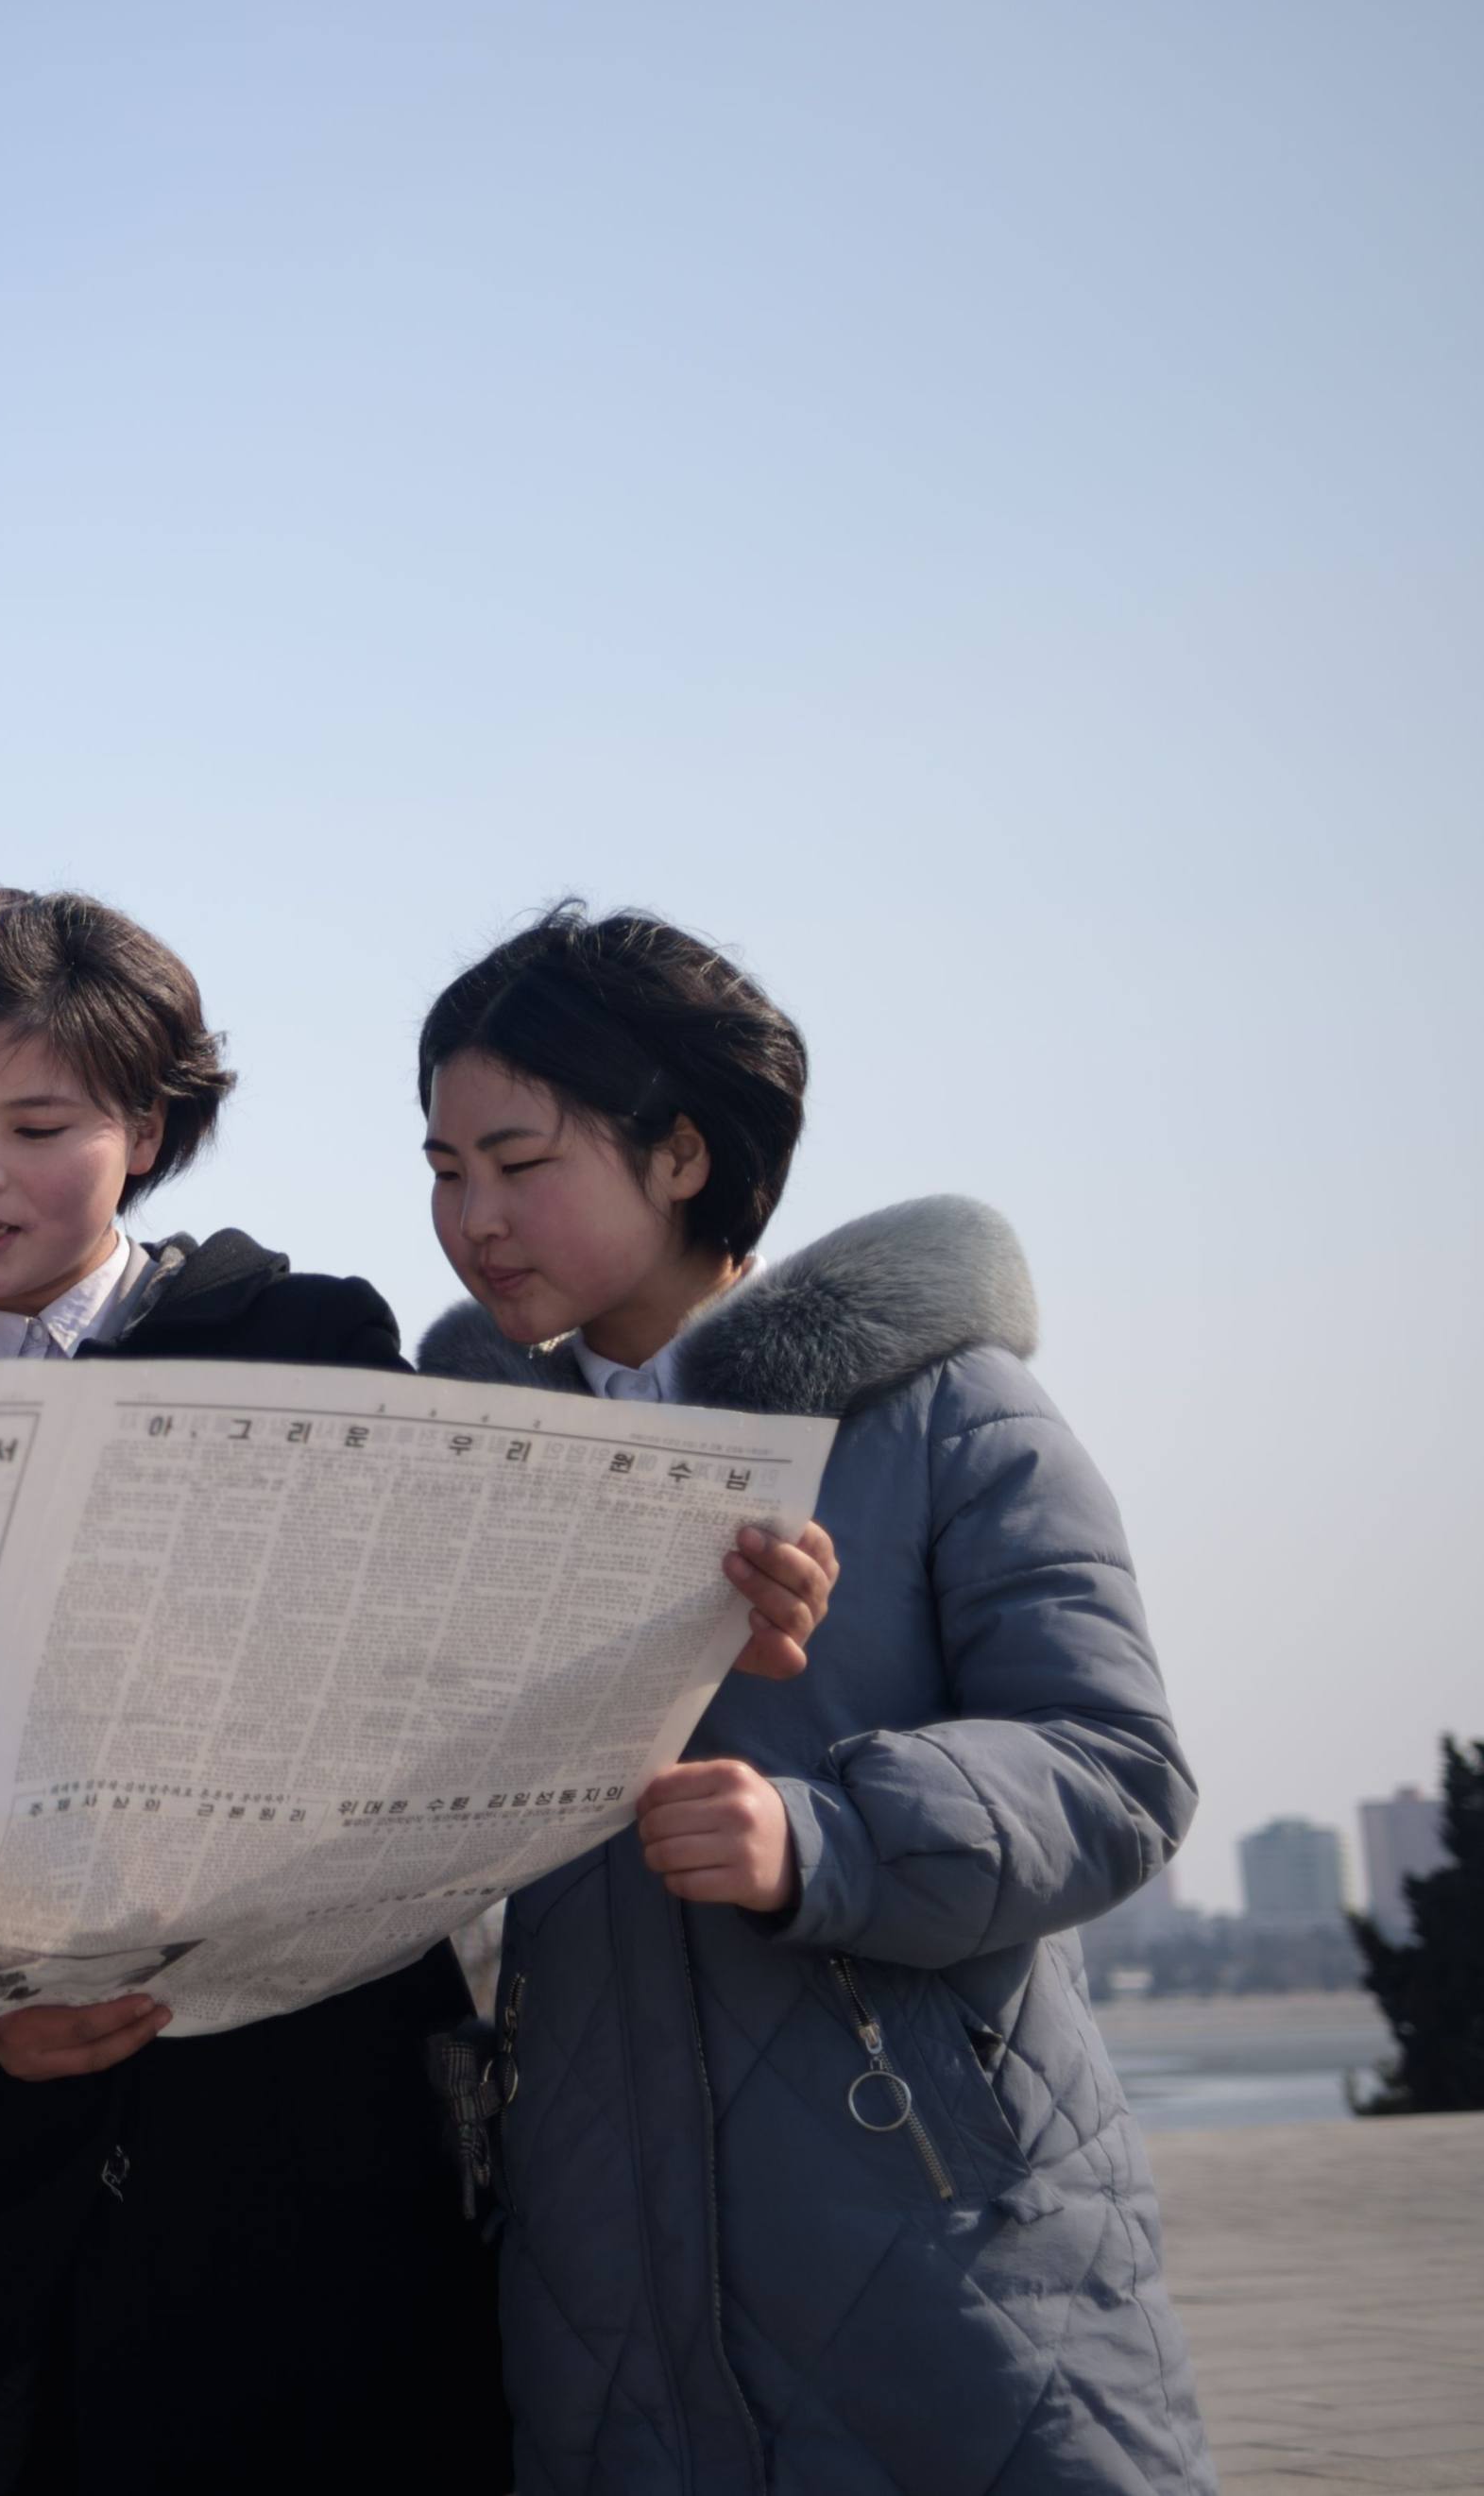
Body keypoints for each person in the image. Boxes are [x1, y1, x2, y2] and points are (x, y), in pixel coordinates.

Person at [0, 888, 839, 2495]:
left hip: (313, 2188)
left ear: (144, 1128)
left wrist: (729, 1613)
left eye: (36, 1122)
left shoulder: (308, 1343)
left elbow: (493, 1664)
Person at [411, 904, 1208, 2493]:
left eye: (521, 1161)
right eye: (442, 1169)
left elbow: (1118, 1769)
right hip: (598, 2294)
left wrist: (823, 1833)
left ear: (684, 1154)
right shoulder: (465, 1456)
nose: (473, 1216)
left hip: (946, 2266)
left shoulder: (947, 1409)